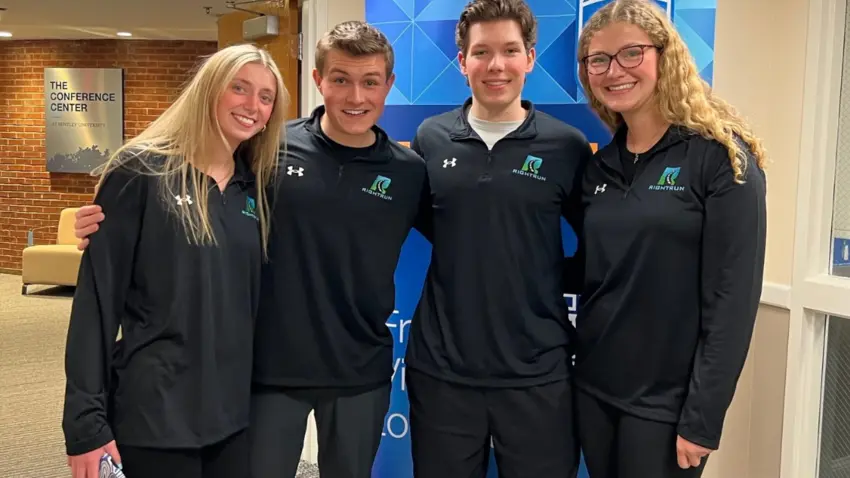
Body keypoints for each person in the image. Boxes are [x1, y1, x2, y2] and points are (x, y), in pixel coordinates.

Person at [73, 21, 428, 478]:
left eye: (370, 82)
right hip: (265, 372)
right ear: (318, 80)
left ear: (389, 85)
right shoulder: (269, 150)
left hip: (359, 372)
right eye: (340, 79)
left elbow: (463, 229)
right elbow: (193, 169)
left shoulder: (408, 171)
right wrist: (106, 224)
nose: (355, 96)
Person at [62, 43, 287, 478]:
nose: (252, 105)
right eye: (239, 88)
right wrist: (85, 423)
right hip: (155, 416)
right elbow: (96, 305)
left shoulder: (255, 187)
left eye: (265, 97)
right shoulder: (140, 172)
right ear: (209, 89)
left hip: (231, 420)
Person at [572, 1, 767, 477]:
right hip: (594, 391)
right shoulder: (599, 167)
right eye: (599, 60)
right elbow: (594, 271)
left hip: (666, 406)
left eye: (631, 53)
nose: (614, 71)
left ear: (666, 56)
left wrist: (703, 417)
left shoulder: (720, 159)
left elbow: (733, 300)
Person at [404, 1, 592, 477]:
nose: (496, 65)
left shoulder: (566, 145)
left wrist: (544, 278)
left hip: (538, 374)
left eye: (510, 50)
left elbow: (599, 243)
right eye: (481, 52)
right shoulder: (431, 138)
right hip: (443, 373)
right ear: (462, 60)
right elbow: (431, 226)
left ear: (530, 58)